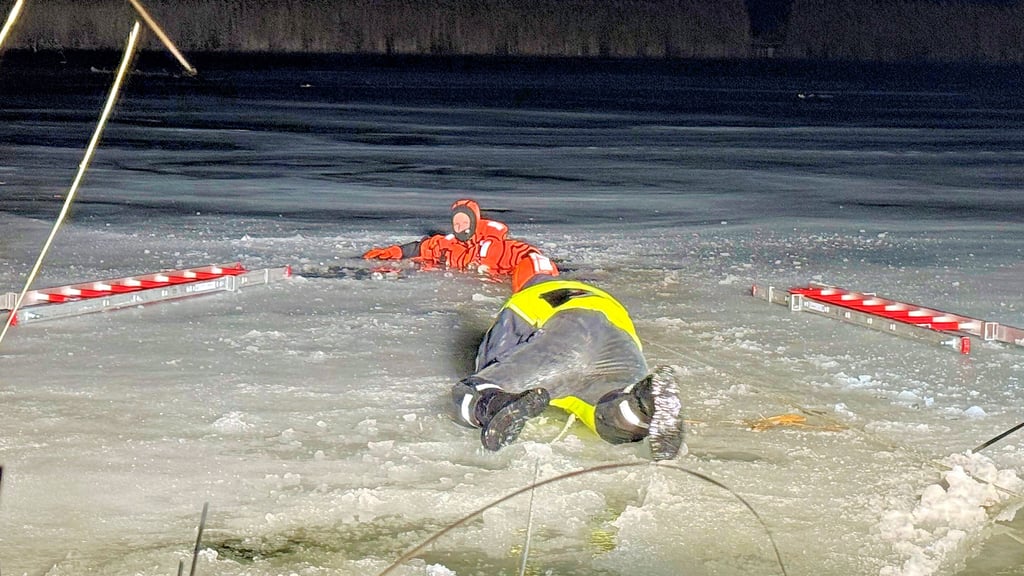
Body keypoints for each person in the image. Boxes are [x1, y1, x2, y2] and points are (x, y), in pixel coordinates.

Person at [449, 261, 685, 461]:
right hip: (618, 331)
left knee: (473, 390)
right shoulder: (588, 291)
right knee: (613, 409)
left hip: (566, 334)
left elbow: (494, 354)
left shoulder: (525, 297)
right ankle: (643, 405)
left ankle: (493, 405)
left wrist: (492, 380)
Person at [362, 199, 556, 280]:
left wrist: (538, 274)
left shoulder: (494, 245)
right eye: (457, 222)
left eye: (465, 221)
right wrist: (394, 252)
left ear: (474, 222)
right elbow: (423, 248)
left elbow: (525, 254)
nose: (460, 226)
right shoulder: (449, 243)